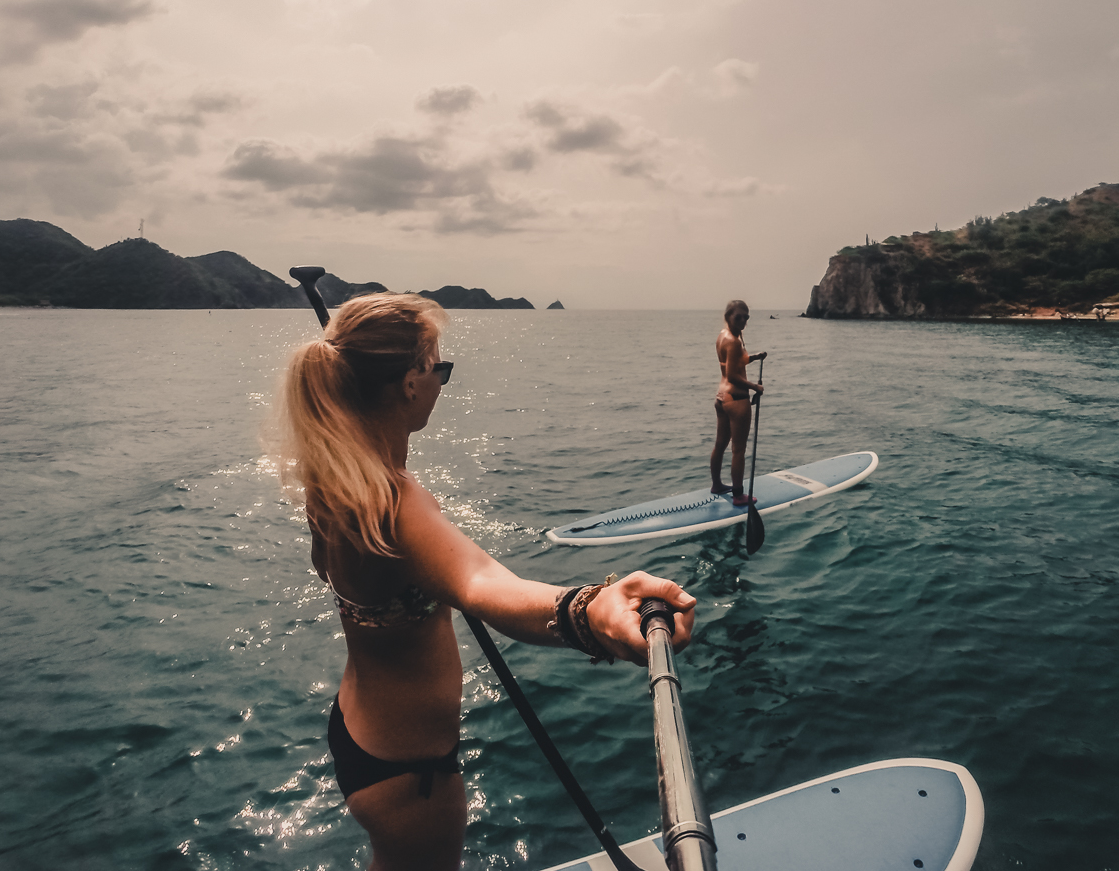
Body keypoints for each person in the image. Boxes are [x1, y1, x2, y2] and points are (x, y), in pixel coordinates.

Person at [276, 293, 696, 871]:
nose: (442, 382)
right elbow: (481, 584)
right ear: (408, 384)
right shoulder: (395, 504)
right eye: (437, 368)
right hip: (409, 772)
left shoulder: (333, 482)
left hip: (358, 731)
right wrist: (593, 611)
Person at [709, 299, 766, 506]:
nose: (743, 321)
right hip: (737, 400)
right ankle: (738, 495)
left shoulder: (724, 336)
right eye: (738, 317)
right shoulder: (734, 341)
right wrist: (754, 387)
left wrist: (753, 357)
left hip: (721, 398)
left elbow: (731, 362)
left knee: (720, 444)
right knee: (738, 450)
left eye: (746, 317)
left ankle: (716, 485)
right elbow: (733, 375)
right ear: (728, 316)